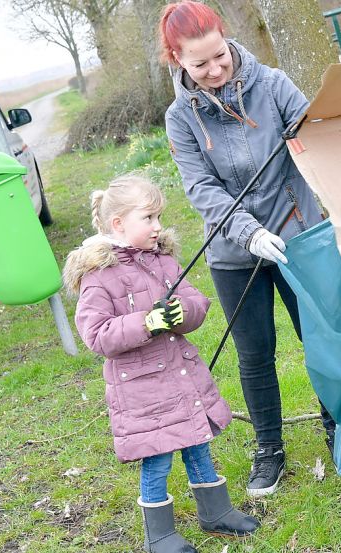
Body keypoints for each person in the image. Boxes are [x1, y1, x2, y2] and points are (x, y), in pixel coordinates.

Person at [159, 0, 337, 498]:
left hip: (298, 237)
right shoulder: (180, 118)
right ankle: (269, 450)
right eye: (200, 64)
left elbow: (318, 140)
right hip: (234, 254)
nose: (215, 70)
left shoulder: (275, 84)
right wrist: (246, 231)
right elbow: (201, 189)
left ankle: (338, 426)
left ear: (227, 37)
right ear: (178, 60)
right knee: (255, 355)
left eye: (219, 56)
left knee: (319, 339)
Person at [64, 175, 259, 553]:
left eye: (158, 217)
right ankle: (160, 534)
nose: (157, 226)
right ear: (118, 223)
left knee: (197, 443)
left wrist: (180, 311)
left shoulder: (162, 261)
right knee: (157, 458)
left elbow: (195, 302)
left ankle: (215, 513)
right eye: (148, 218)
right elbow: (97, 334)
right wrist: (147, 323)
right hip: (143, 390)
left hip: (180, 375)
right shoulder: (98, 276)